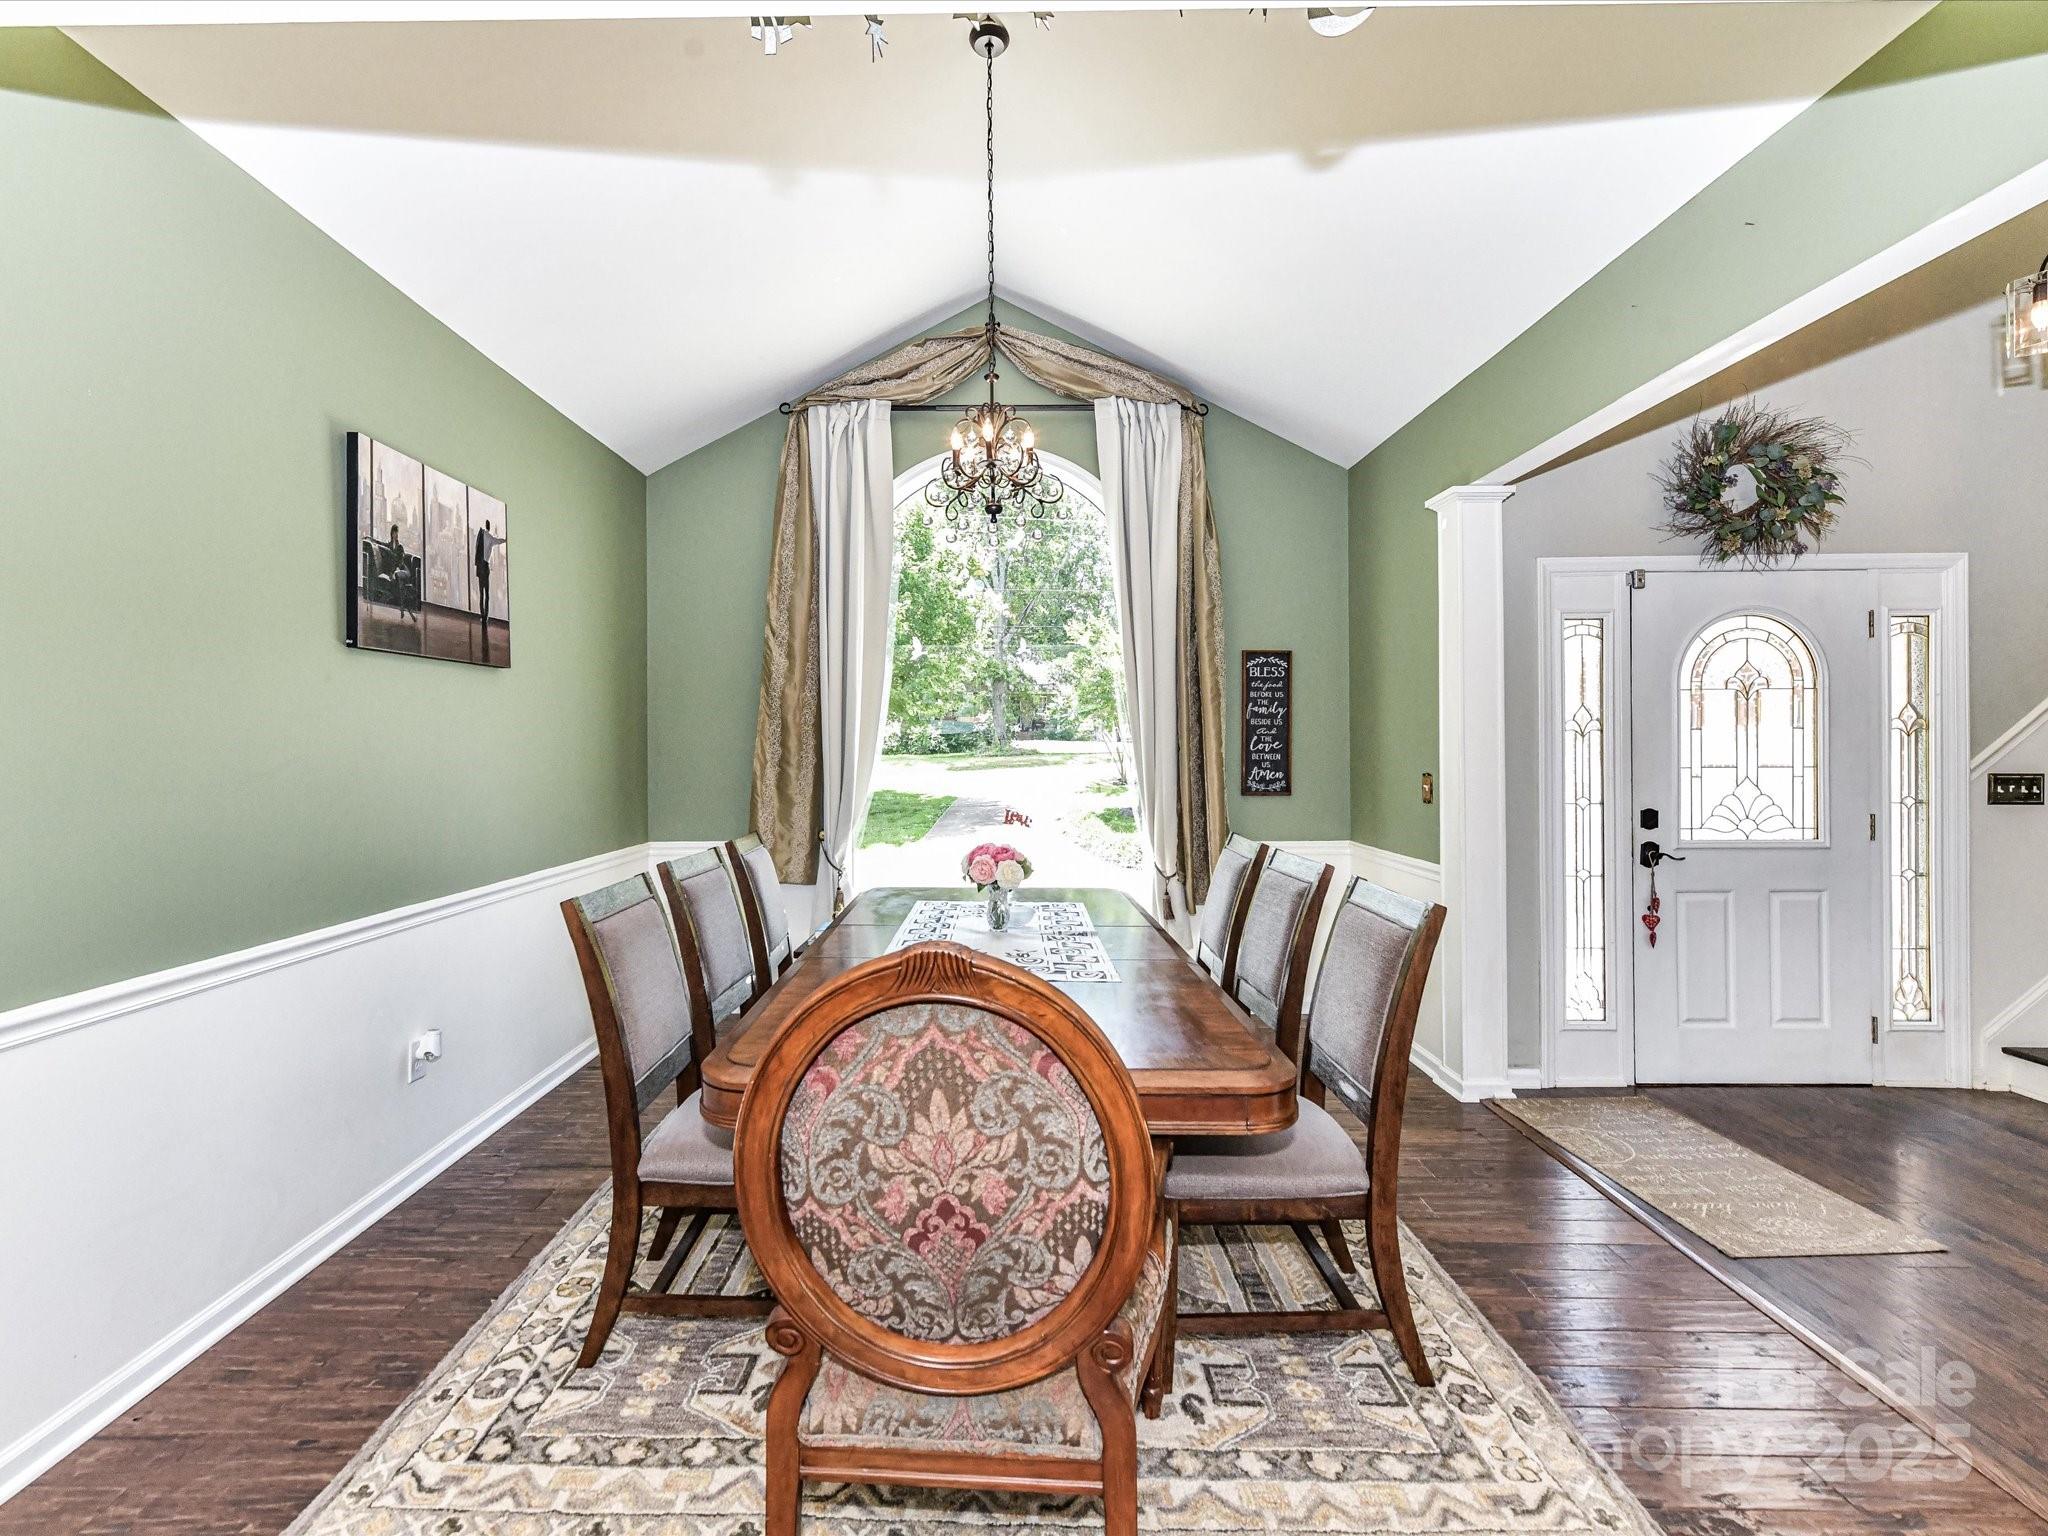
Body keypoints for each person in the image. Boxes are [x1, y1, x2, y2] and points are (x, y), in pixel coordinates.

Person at [473, 519, 506, 633]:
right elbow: (499, 541)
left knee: (481, 593)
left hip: (479, 567)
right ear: (489, 527)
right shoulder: (491, 538)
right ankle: (485, 617)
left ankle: (482, 616)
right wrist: (506, 539)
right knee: (487, 593)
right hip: (485, 567)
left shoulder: (480, 536)